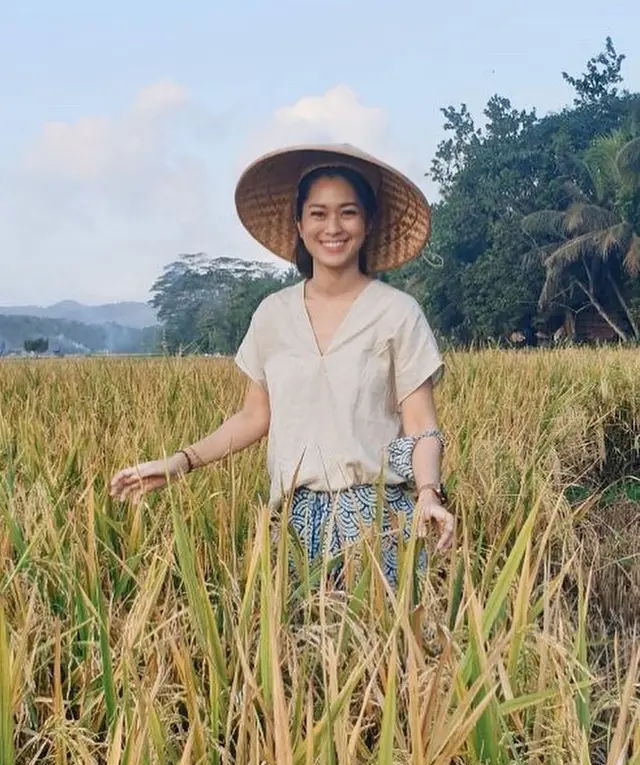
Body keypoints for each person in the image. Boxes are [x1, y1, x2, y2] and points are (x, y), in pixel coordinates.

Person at [110, 143, 455, 585]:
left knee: (386, 645)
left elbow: (422, 425)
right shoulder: (272, 314)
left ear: (367, 224)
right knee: (290, 648)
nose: (333, 227)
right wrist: (179, 462)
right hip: (291, 523)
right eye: (318, 213)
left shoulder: (398, 313)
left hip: (377, 521)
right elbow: (255, 416)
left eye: (348, 212)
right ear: (299, 223)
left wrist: (429, 492)